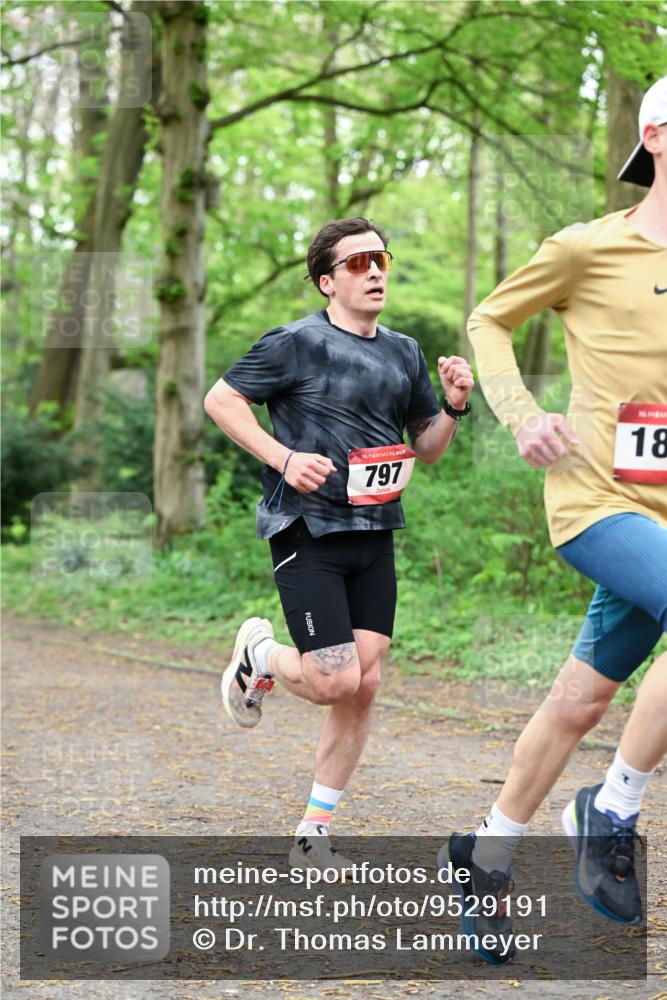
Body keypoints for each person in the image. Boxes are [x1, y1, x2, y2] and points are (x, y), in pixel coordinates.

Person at [446, 75, 667, 965]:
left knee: (579, 700)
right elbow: (487, 319)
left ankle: (485, 854)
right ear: (655, 134)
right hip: (596, 501)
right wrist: (519, 412)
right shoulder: (586, 248)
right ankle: (611, 807)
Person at [204, 217, 474, 872]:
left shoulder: (403, 351)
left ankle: (310, 836)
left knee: (364, 682)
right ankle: (261, 654)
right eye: (356, 264)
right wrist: (283, 455)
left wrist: (454, 405)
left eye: (380, 258)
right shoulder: (295, 342)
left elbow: (427, 449)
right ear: (328, 281)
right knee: (332, 679)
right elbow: (222, 399)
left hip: (373, 530)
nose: (374, 270)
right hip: (308, 526)